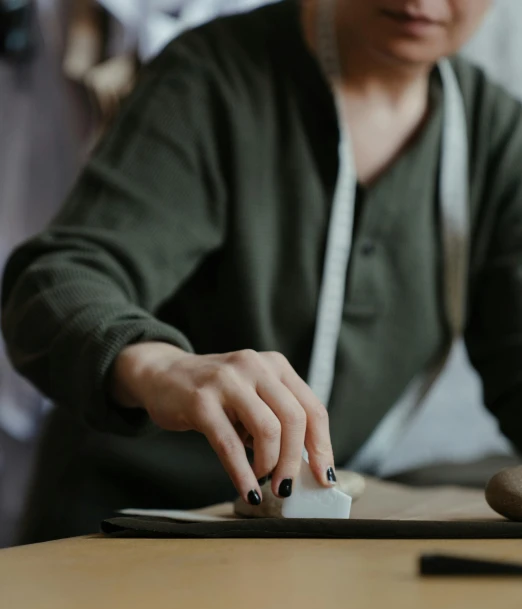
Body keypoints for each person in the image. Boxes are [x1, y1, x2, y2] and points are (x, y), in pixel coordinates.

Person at [3, 0, 521, 544]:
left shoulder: (494, 136)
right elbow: (51, 284)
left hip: (295, 545)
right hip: (125, 530)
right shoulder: (213, 77)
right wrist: (159, 367)